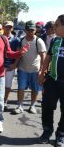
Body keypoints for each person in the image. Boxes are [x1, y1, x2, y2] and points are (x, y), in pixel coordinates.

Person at [38, 14, 64, 146]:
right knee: (47, 106)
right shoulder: (55, 40)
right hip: (52, 80)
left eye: (57, 25)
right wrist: (42, 73)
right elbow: (48, 58)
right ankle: (47, 131)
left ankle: (61, 135)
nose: (54, 28)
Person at [13, 20, 46, 114]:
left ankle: (32, 106)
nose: (30, 32)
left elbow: (43, 57)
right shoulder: (22, 40)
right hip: (23, 69)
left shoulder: (39, 41)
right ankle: (20, 106)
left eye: (32, 30)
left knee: (35, 89)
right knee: (21, 88)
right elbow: (19, 54)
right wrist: (15, 65)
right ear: (25, 30)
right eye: (28, 29)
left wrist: (41, 71)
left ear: (35, 30)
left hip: (35, 70)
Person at [2, 21, 21, 111]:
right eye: (7, 27)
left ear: (12, 28)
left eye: (10, 27)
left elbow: (18, 54)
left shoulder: (16, 40)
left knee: (7, 86)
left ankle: (4, 102)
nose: (8, 29)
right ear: (3, 27)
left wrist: (14, 64)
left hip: (10, 66)